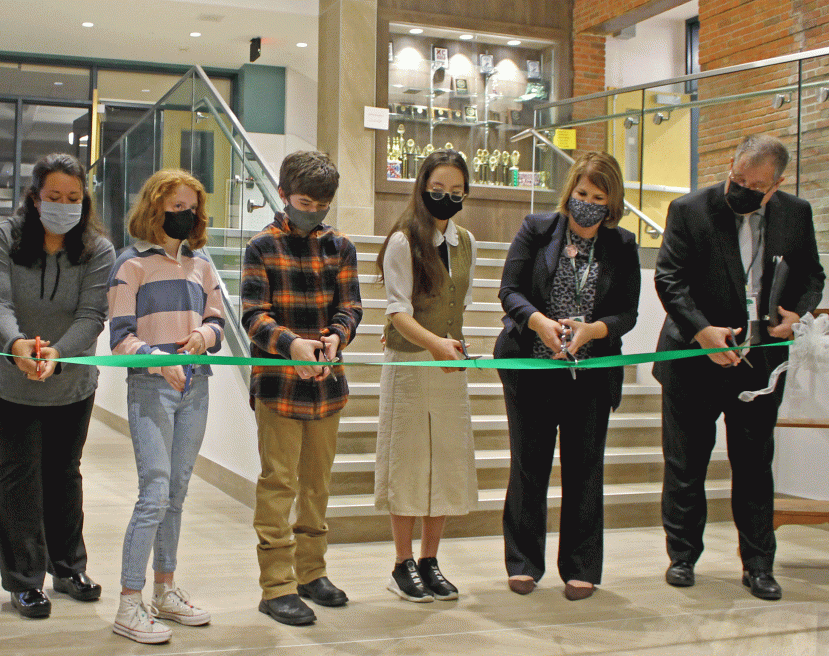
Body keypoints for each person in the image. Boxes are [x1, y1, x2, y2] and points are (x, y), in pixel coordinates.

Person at [655, 135, 825, 601]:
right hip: (694, 357)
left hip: (759, 361)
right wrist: (701, 332)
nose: (743, 189)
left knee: (754, 466)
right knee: (685, 464)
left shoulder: (796, 213)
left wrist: (798, 314)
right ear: (730, 165)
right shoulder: (690, 209)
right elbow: (669, 277)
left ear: (777, 185)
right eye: (737, 178)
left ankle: (758, 566)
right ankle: (683, 557)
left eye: (755, 185)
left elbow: (812, 275)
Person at [0, 153, 115, 619]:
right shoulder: (1, 239)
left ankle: (68, 568)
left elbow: (92, 315)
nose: (64, 206)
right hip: (4, 376)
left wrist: (57, 354)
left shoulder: (98, 249)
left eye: (73, 198)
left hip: (70, 377)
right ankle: (25, 580)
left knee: (64, 471)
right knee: (20, 471)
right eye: (53, 197)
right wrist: (15, 345)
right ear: (34, 198)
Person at [494, 151, 641, 601]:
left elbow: (627, 314)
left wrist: (592, 331)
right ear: (569, 190)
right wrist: (539, 321)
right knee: (528, 468)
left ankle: (581, 567)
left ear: (611, 202)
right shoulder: (536, 230)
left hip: (589, 377)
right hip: (533, 371)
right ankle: (523, 562)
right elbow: (509, 290)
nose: (587, 203)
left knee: (584, 471)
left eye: (599, 197)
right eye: (581, 193)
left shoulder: (622, 245)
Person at [241, 151, 363, 626]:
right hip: (278, 387)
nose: (313, 210)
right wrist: (291, 345)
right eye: (305, 200)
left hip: (328, 387)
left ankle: (312, 573)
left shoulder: (341, 248)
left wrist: (337, 335)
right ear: (284, 194)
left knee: (317, 485)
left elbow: (351, 307)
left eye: (322, 203)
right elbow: (253, 314)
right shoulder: (262, 247)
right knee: (279, 484)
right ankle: (276, 586)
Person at [107, 169, 224, 644]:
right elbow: (119, 339)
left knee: (176, 492)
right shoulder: (130, 266)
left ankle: (165, 590)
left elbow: (218, 323)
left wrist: (203, 336)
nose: (186, 215)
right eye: (176, 207)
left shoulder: (202, 266)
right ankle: (128, 602)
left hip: (195, 389)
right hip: (152, 389)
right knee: (154, 493)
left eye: (191, 208)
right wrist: (158, 360)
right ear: (154, 209)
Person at [373, 150, 477, 603]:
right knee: (410, 463)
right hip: (413, 364)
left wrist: (449, 344)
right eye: (438, 190)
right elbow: (398, 312)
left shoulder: (466, 242)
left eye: (456, 192)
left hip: (449, 364)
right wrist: (434, 343)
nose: (446, 198)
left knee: (446, 463)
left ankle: (430, 560)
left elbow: (461, 303)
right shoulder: (403, 241)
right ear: (422, 187)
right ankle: (402, 562)